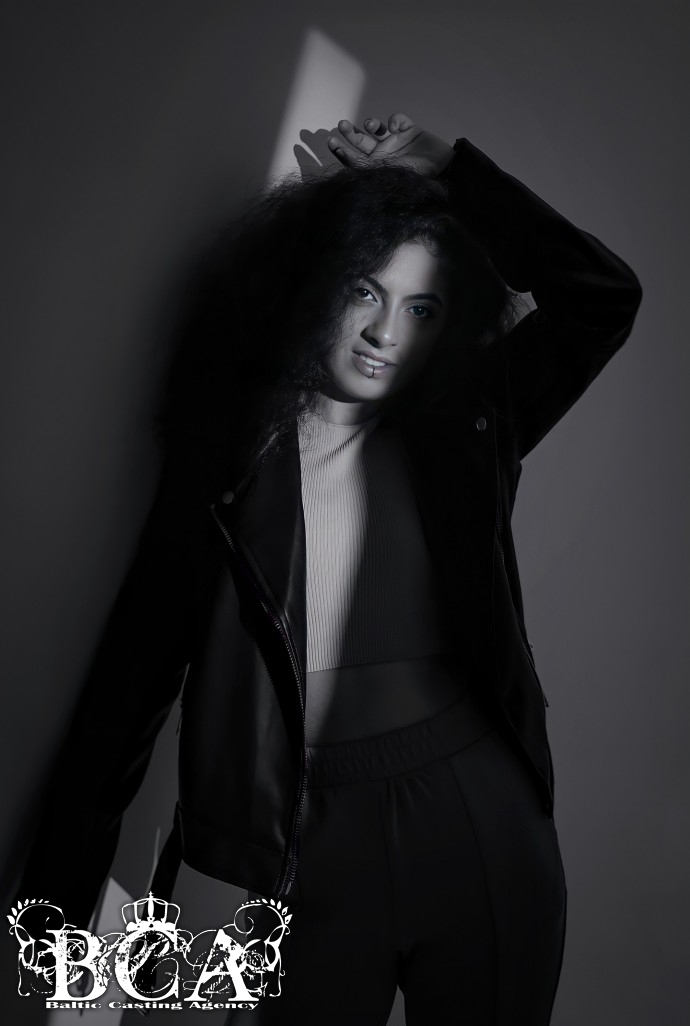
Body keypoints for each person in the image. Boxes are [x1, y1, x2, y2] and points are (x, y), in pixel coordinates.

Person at [16, 113, 642, 1024]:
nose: (387, 333)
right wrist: (54, 930)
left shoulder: (471, 425)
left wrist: (451, 168)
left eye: (422, 308)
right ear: (314, 283)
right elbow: (128, 693)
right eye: (365, 291)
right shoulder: (226, 461)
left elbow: (603, 297)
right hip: (302, 843)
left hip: (479, 815)